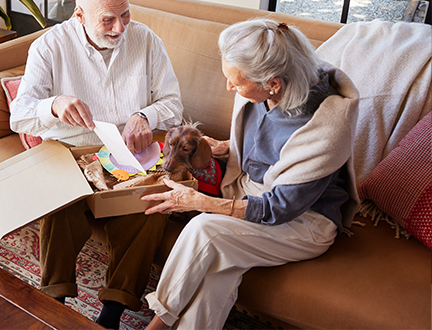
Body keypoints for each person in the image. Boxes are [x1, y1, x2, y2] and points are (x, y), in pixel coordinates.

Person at [141, 19, 360, 330]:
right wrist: (230, 146)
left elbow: (278, 207)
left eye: (237, 83)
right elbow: (273, 142)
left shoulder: (324, 125)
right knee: (218, 269)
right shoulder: (266, 87)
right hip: (250, 193)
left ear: (273, 83)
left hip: (303, 220)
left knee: (205, 229)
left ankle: (157, 324)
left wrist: (198, 201)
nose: (230, 87)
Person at [9, 0, 183, 329]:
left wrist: (144, 115)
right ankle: (54, 299)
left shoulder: (146, 41)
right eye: (108, 19)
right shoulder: (49, 46)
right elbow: (19, 116)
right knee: (58, 204)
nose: (120, 27)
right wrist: (54, 104)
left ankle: (112, 313)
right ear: (80, 16)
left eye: (126, 14)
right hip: (70, 153)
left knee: (152, 208)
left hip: (129, 155)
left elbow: (173, 104)